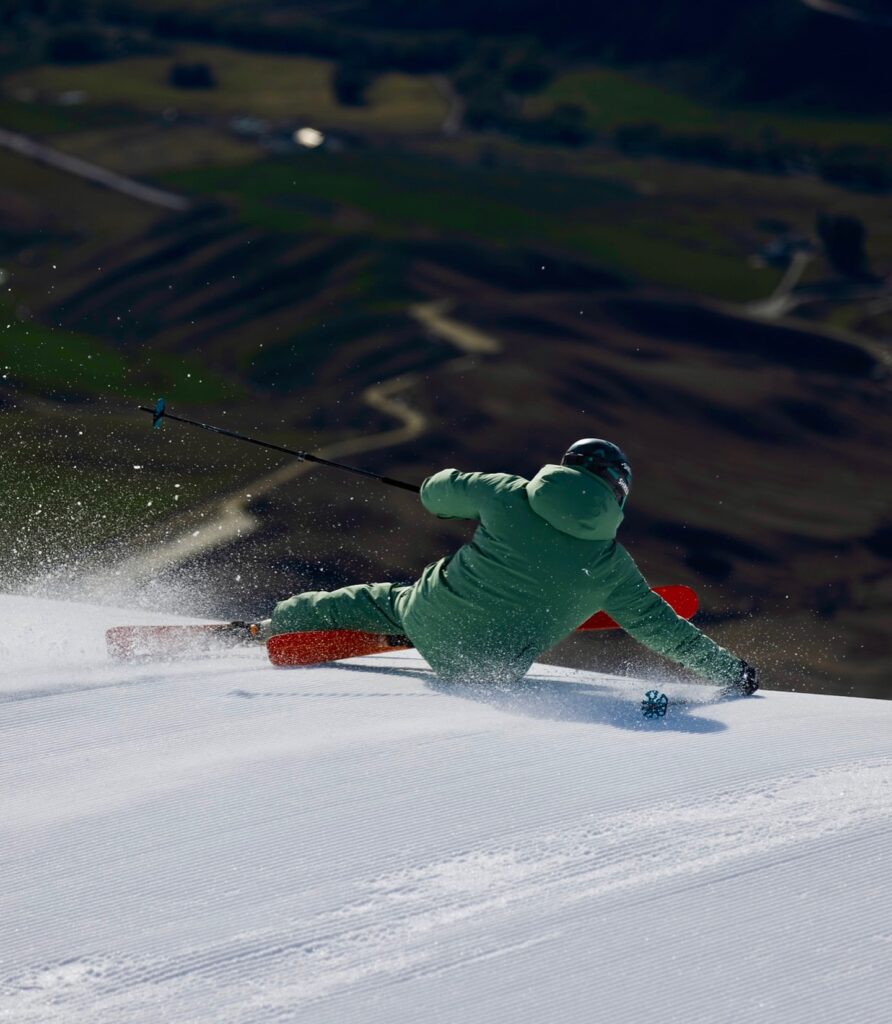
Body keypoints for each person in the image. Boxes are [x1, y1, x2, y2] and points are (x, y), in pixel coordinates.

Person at [263, 439, 759, 694]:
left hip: (426, 612)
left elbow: (435, 495)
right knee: (594, 611)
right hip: (487, 670)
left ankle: (269, 626)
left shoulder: (505, 491)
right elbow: (667, 633)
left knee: (364, 600)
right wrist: (732, 672)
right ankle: (534, 614)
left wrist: (456, 491)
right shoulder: (612, 567)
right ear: (619, 494)